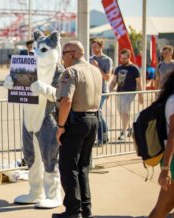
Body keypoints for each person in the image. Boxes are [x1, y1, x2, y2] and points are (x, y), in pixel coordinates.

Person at [53, 41, 102, 218]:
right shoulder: (95, 70)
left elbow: (66, 100)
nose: (62, 58)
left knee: (68, 166)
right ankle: (85, 209)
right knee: (83, 167)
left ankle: (73, 210)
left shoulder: (71, 72)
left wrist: (60, 127)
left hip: (76, 121)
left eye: (63, 53)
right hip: (93, 119)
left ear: (72, 54)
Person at [149, 70, 174, 217]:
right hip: (172, 160)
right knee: (164, 206)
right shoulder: (173, 101)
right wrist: (166, 169)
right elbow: (173, 135)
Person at [109, 49, 144, 140]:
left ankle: (123, 132)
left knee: (125, 113)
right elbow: (114, 81)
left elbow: (139, 83)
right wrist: (109, 91)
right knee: (122, 113)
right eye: (121, 58)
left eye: (125, 58)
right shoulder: (118, 68)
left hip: (129, 94)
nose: (123, 60)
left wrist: (141, 96)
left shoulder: (134, 68)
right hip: (119, 93)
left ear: (129, 57)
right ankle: (130, 128)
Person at [90, 38, 113, 145]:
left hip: (102, 90)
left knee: (97, 113)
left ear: (101, 47)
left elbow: (107, 77)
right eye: (92, 47)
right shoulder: (90, 59)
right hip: (91, 90)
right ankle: (104, 134)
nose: (93, 49)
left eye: (96, 47)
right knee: (97, 113)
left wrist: (97, 66)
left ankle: (101, 138)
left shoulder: (107, 60)